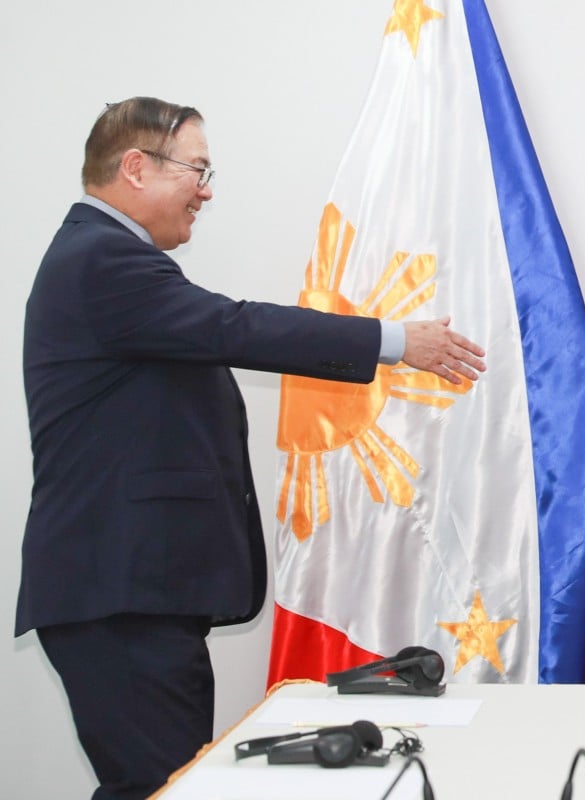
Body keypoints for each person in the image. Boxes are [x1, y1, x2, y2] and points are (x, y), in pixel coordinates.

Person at [16, 97, 486, 800]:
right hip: (118, 598)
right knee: (162, 788)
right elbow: (234, 326)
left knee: (165, 786)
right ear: (136, 167)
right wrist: (395, 341)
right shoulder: (101, 260)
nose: (207, 190)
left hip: (134, 598)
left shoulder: (106, 260)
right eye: (197, 170)